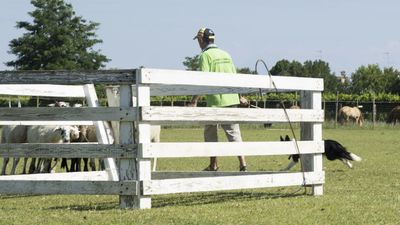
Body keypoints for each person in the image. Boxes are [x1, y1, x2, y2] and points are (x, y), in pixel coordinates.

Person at [188, 27, 248, 172]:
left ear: (202, 40)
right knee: (234, 134)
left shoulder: (205, 56)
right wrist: (240, 96)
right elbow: (234, 76)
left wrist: (194, 101)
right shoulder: (226, 54)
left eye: (198, 40)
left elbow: (203, 80)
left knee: (210, 134)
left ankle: (213, 165)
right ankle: (243, 164)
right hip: (231, 100)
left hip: (215, 102)